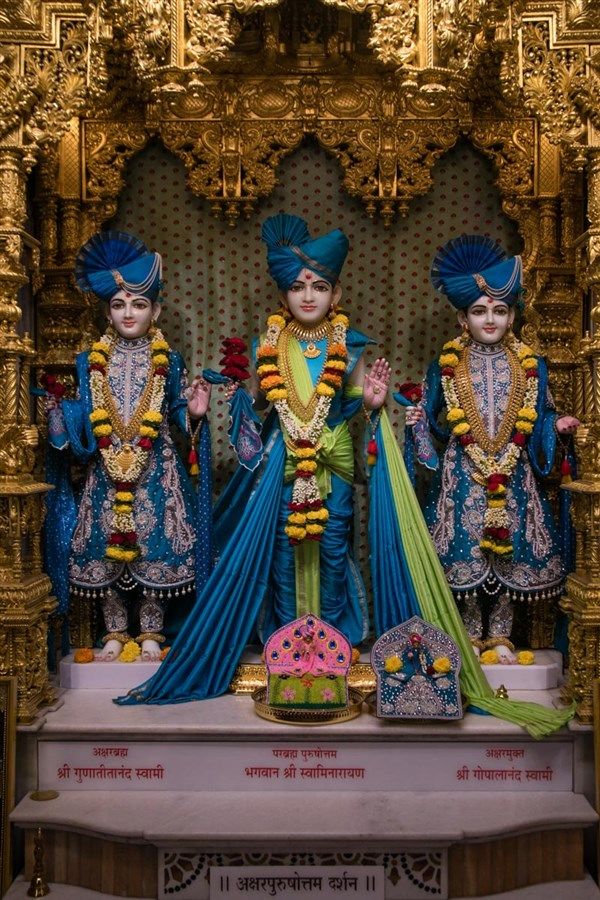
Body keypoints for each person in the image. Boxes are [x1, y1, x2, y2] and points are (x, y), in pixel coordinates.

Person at [116, 218, 575, 740]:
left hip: (332, 473)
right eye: (297, 286)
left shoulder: (350, 346)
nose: (307, 295)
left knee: (332, 552)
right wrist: (231, 405)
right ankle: (288, 647)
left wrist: (375, 405)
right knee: (284, 559)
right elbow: (258, 417)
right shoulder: (269, 343)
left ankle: (333, 644)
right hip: (282, 477)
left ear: (337, 293)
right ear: (284, 294)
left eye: (318, 286)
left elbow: (363, 411)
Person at [404, 234, 579, 661]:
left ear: (513, 315)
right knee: (465, 546)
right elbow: (429, 418)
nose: (490, 320)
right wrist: (416, 426)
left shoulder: (529, 364)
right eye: (480, 311)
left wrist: (556, 423)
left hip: (513, 469)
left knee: (508, 549)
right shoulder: (445, 363)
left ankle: (500, 633)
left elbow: (538, 416)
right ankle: (466, 630)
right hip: (463, 472)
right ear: (462, 318)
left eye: (500, 311)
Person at [45, 231, 211, 661]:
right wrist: (61, 415)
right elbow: (84, 415)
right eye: (119, 305)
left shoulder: (168, 360)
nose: (129, 313)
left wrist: (192, 412)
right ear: (108, 311)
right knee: (104, 542)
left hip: (155, 467)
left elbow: (174, 413)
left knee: (155, 538)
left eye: (139, 304)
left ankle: (152, 629)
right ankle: (115, 630)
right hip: (106, 466)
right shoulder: (90, 360)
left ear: (155, 310)